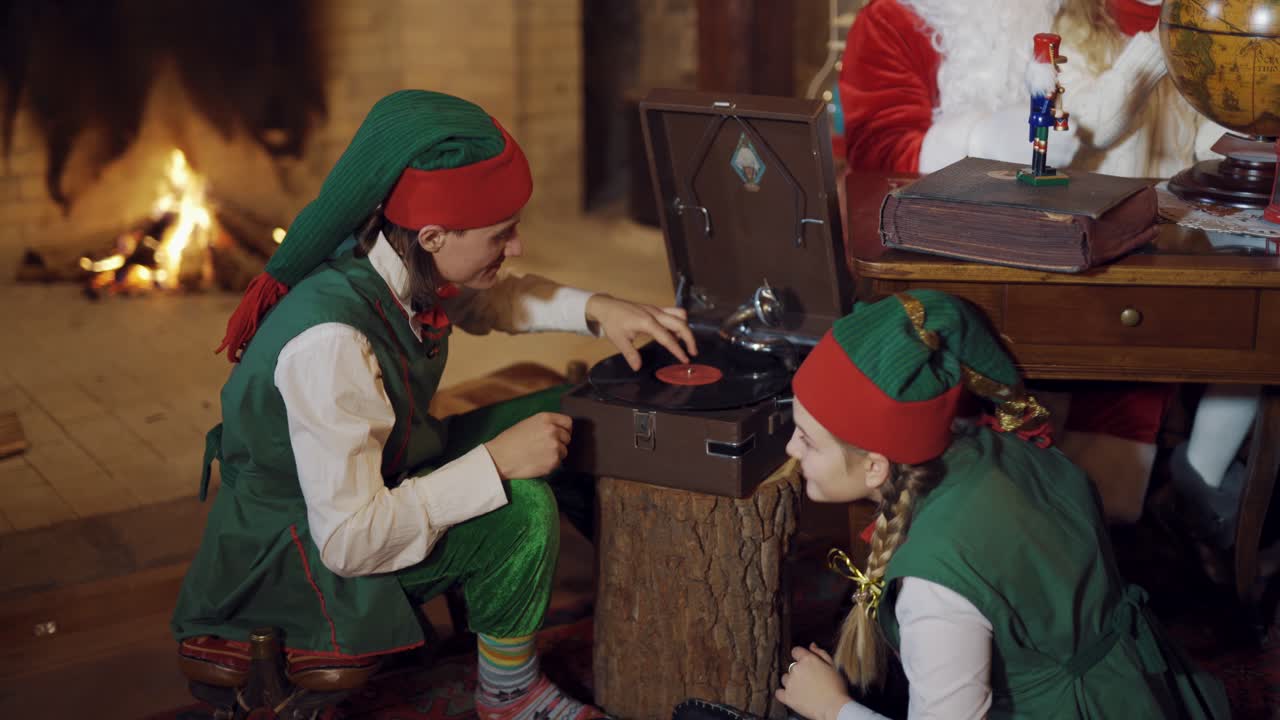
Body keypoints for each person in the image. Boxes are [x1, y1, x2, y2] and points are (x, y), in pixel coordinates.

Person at [171, 89, 697, 720]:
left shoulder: (396, 258)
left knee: (577, 415)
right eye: (503, 234)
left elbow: (492, 301)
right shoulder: (330, 343)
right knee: (521, 508)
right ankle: (509, 693)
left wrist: (599, 308)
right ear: (433, 235)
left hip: (384, 477)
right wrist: (497, 465)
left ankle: (633, 595)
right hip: (300, 561)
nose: (519, 247)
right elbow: (349, 541)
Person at [835, 0, 1239, 526]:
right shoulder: (892, 18)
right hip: (951, 258)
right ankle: (975, 529)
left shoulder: (1071, 9)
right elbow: (878, 147)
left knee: (1134, 338)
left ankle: (1100, 525)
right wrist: (985, 140)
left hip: (1068, 243)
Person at [773, 289, 1230, 719]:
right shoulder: (994, 446)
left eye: (809, 441)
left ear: (874, 467)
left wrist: (831, 707)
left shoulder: (934, 587)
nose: (793, 449)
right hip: (1132, 683)